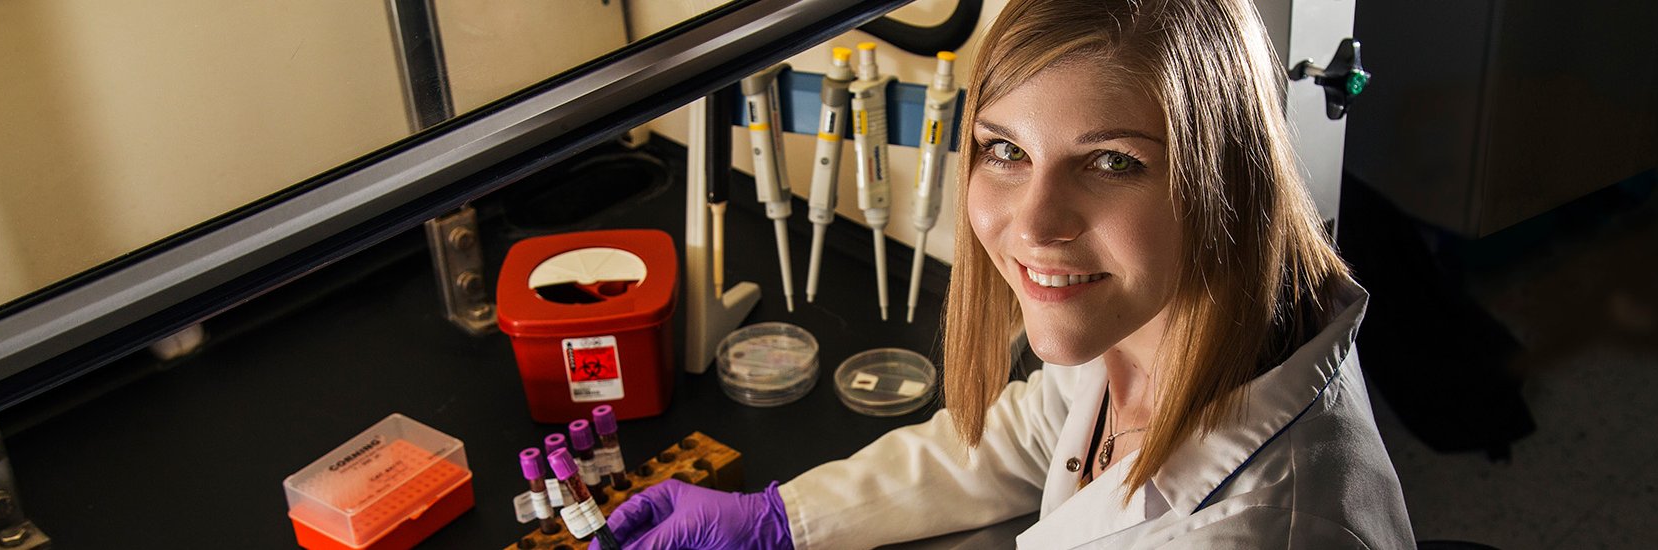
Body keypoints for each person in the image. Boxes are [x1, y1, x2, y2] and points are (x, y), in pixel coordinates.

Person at [594, 0, 1415, 547]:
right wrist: (786, 518)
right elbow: (1036, 432)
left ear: (1227, 181)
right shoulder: (1155, 325)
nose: (1032, 224)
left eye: (1112, 161)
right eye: (1005, 150)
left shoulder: (1261, 529)